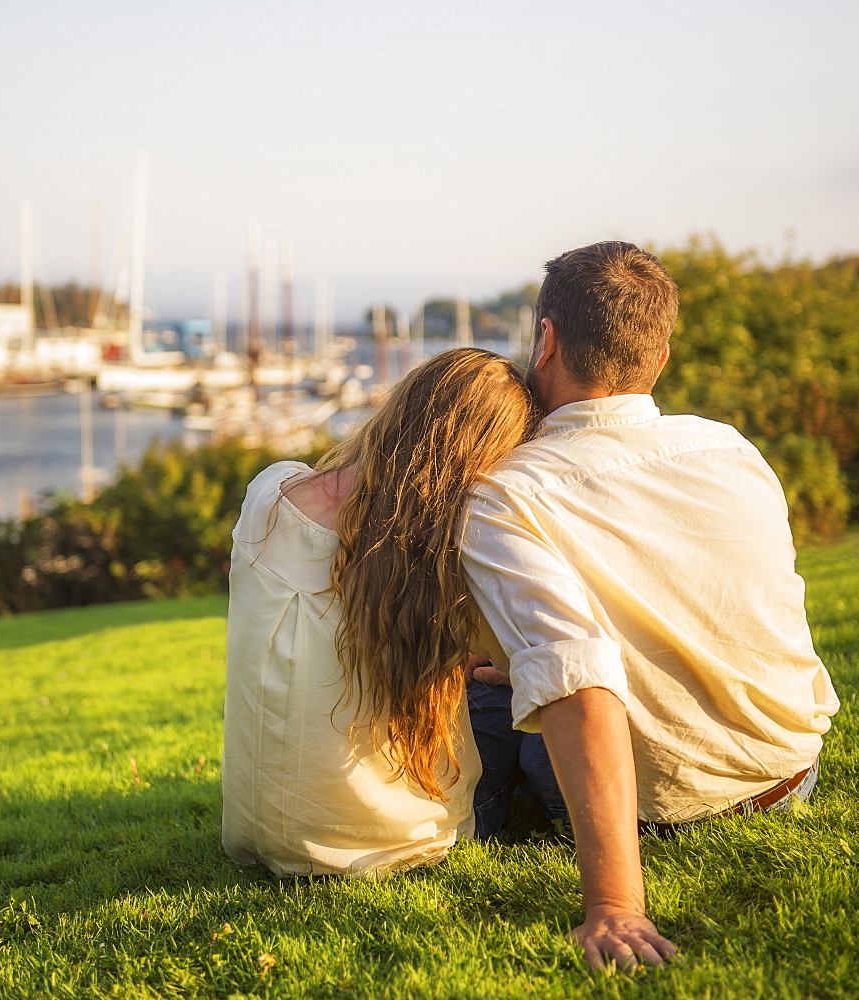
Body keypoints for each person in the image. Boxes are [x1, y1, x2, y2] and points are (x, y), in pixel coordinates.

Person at [460, 241, 840, 970]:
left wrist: (613, 906)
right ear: (657, 360)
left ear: (546, 340)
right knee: (512, 675)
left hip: (663, 809)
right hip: (791, 770)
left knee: (477, 692)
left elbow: (576, 679)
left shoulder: (506, 491)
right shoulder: (729, 447)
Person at [222, 348, 540, 877]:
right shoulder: (446, 546)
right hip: (395, 844)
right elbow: (520, 661)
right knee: (503, 698)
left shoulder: (268, 493)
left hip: (260, 828)